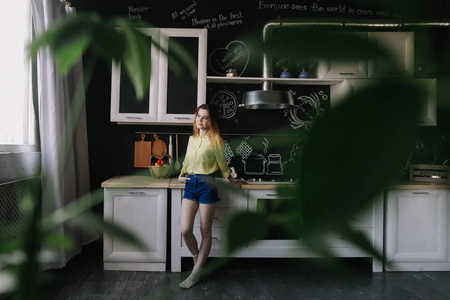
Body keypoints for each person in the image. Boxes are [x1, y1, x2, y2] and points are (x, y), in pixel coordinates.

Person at [178, 104, 245, 289]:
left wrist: (232, 181)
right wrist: (181, 173)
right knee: (185, 230)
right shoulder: (191, 139)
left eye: (205, 117)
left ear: (211, 120)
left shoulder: (216, 140)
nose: (200, 120)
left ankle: (196, 273)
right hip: (190, 184)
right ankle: (197, 264)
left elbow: (222, 165)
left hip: (208, 185)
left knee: (205, 232)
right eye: (199, 116)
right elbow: (187, 160)